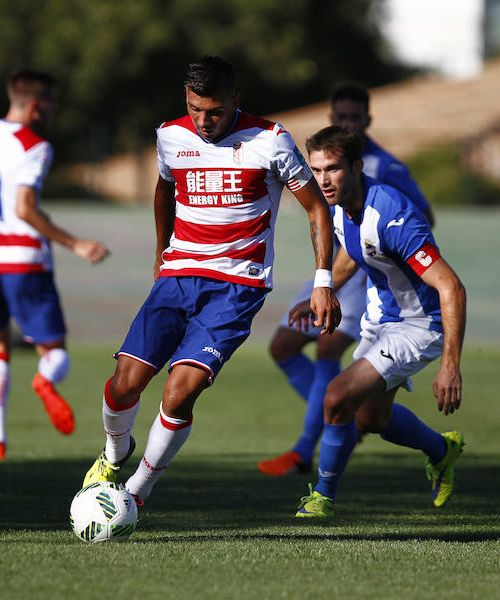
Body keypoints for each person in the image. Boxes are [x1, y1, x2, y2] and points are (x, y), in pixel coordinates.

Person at [81, 56, 338, 505]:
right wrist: (162, 253)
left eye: (215, 111)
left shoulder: (271, 140)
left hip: (237, 287)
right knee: (123, 384)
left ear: (235, 102)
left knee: (179, 393)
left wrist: (323, 281)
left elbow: (317, 208)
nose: (204, 121)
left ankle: (136, 495)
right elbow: (165, 190)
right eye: (195, 108)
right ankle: (112, 455)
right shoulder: (170, 135)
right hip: (178, 277)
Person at [258, 82, 435, 476]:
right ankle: (344, 419)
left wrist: (383, 249)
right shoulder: (326, 157)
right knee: (283, 346)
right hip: (335, 265)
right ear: (332, 119)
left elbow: (424, 218)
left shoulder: (386, 168)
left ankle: (306, 449)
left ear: (368, 121)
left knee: (325, 349)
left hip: (367, 276)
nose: (348, 123)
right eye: (342, 116)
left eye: (355, 117)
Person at [292, 126, 466, 517]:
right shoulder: (340, 207)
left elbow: (452, 287)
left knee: (337, 397)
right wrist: (321, 291)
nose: (323, 180)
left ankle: (322, 498)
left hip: (419, 324)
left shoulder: (392, 216)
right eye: (316, 170)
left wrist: (450, 367)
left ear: (356, 167)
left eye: (332, 169)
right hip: (382, 318)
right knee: (372, 417)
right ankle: (442, 450)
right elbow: (354, 253)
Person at [0, 68, 110, 460]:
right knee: (55, 351)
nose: (55, 111)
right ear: (38, 106)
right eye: (53, 104)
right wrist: (75, 243)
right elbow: (25, 208)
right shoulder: (35, 146)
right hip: (22, 259)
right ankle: (44, 381)